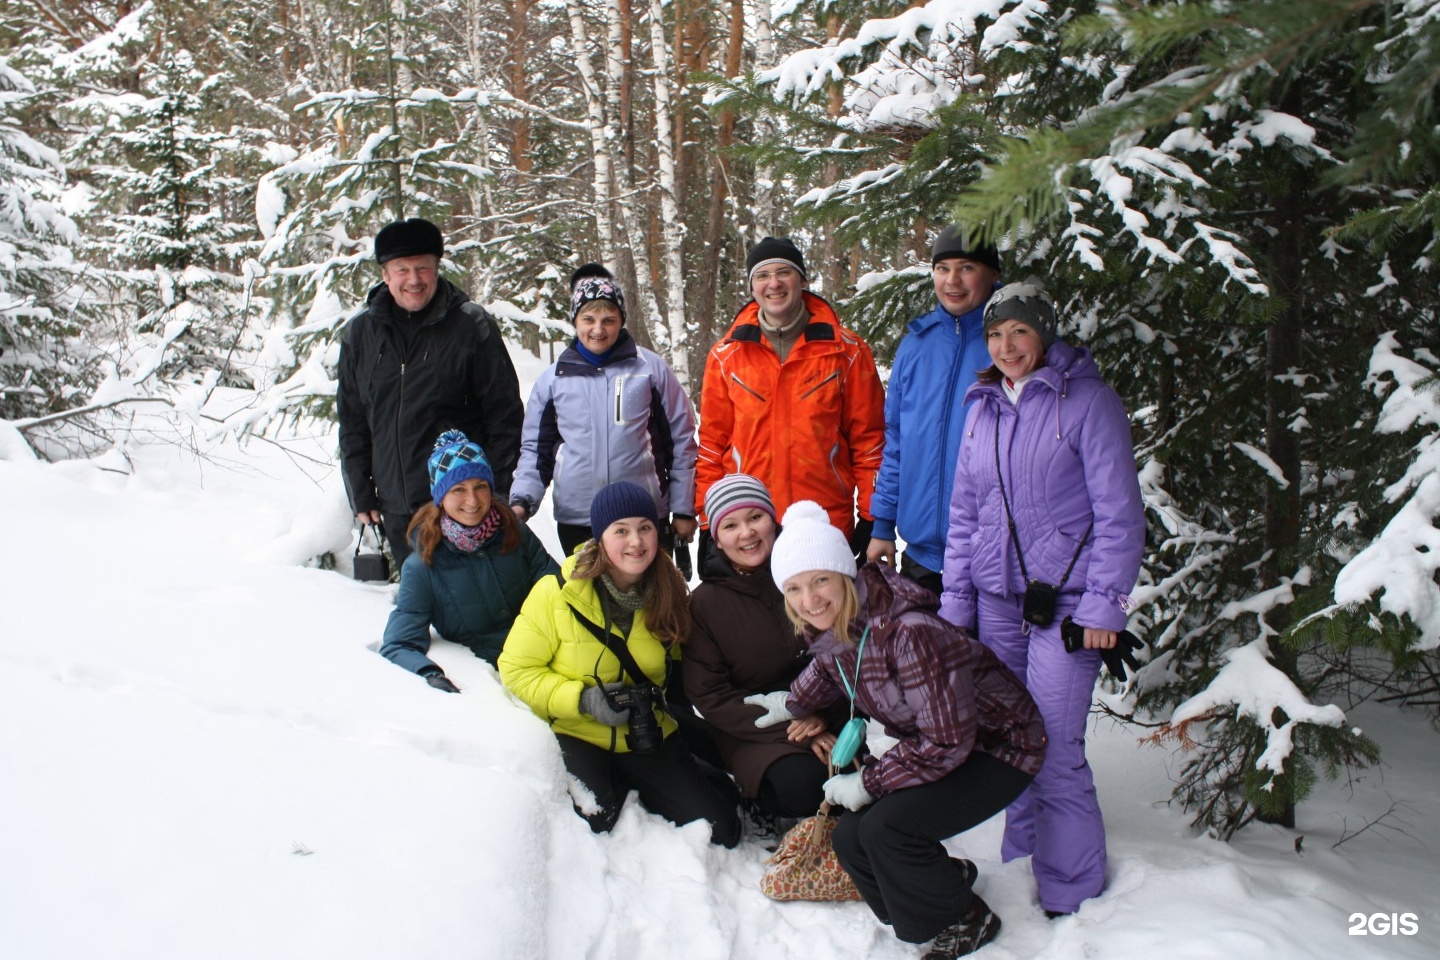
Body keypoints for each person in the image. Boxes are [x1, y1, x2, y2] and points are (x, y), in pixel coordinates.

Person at [746, 502, 1045, 959]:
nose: (810, 599)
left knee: (887, 829)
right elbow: (830, 669)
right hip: (946, 743)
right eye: (795, 588)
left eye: (821, 579)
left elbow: (947, 742)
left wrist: (869, 782)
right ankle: (939, 882)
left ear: (845, 575)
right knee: (850, 836)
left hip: (1000, 747)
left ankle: (966, 917)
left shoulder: (909, 633)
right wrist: (791, 703)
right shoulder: (839, 625)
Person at [939, 282, 1145, 917]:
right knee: (1009, 740)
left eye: (1019, 333)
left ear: (1045, 333)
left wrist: (1105, 606)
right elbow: (965, 515)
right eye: (996, 335)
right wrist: (955, 605)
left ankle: (1070, 892)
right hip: (1000, 602)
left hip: (1069, 605)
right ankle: (1022, 860)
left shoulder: (1088, 402)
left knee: (1055, 747)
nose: (1006, 346)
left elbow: (1119, 513)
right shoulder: (983, 407)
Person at [498, 481, 741, 846]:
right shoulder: (556, 593)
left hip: (644, 734)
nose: (636, 541)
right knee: (597, 819)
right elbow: (516, 670)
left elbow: (684, 665)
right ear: (600, 538)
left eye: (645, 528)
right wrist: (582, 700)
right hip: (578, 732)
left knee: (721, 830)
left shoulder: (670, 591)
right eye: (621, 530)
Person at [337, 217, 524, 566]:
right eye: (402, 269)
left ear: (437, 268)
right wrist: (361, 491)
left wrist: (494, 495)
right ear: (385, 275)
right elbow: (353, 420)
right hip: (395, 506)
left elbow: (505, 417)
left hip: (462, 506)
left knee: (467, 609)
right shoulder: (361, 334)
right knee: (417, 602)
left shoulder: (470, 325)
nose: (413, 279)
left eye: (422, 268)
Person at [695, 236, 885, 555]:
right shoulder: (726, 355)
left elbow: (870, 442)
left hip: (823, 522)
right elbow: (712, 445)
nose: (774, 284)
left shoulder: (846, 352)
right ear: (752, 286)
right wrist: (706, 520)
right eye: (762, 275)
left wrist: (871, 517)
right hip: (749, 526)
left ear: (802, 280)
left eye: (784, 272)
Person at [683, 474, 848, 822]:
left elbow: (848, 656)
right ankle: (764, 805)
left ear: (773, 520)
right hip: (753, 729)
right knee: (806, 784)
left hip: (825, 715)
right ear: (716, 538)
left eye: (755, 517)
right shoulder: (704, 604)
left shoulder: (806, 576)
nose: (747, 533)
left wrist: (822, 716)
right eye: (731, 525)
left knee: (857, 777)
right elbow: (710, 695)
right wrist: (797, 728)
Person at [509, 264, 697, 559]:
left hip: (643, 516)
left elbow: (681, 439)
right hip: (579, 519)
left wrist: (683, 507)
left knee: (651, 601)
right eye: (589, 319)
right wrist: (522, 500)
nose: (598, 329)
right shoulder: (553, 381)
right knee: (587, 601)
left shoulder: (651, 370)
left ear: (621, 320)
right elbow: (535, 451)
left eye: (608, 320)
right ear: (575, 320)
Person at [867, 226, 1001, 595]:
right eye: (943, 268)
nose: (952, 280)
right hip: (921, 559)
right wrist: (883, 525)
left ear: (993, 274)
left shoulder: (1009, 346)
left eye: (966, 267)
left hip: (989, 558)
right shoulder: (916, 345)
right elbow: (896, 442)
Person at [378, 431, 558, 690]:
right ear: (440, 497)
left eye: (480, 487)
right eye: (458, 489)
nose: (472, 501)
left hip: (546, 651)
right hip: (493, 677)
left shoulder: (513, 531)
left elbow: (554, 583)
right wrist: (430, 674)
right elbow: (399, 643)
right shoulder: (423, 567)